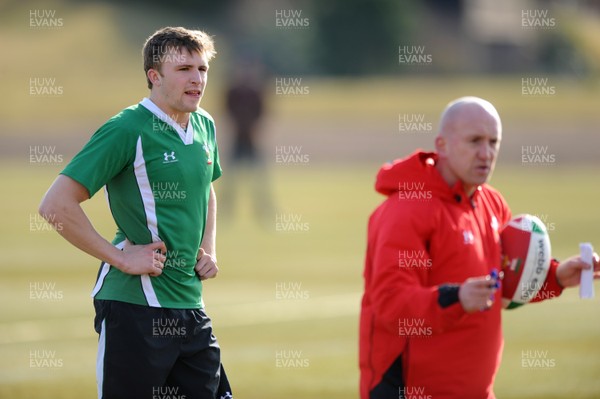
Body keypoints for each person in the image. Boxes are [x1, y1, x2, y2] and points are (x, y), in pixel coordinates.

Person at [359, 96, 599, 399]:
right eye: (474, 141)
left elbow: (502, 284)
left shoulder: (491, 203)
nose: (486, 153)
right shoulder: (406, 210)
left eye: (493, 142)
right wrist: (456, 297)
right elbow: (391, 304)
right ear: (442, 145)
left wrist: (556, 278)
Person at [39, 27, 232, 399]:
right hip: (136, 308)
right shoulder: (127, 128)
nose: (197, 78)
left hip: (189, 305)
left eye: (202, 69)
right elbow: (55, 205)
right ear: (153, 77)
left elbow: (205, 188)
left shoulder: (204, 124)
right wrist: (122, 258)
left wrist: (208, 248)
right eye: (184, 69)